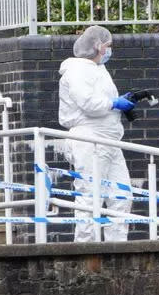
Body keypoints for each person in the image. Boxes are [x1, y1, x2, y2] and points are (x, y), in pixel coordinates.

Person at [58, 25, 142, 242]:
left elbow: (101, 101)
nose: (109, 50)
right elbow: (87, 103)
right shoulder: (77, 70)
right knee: (89, 195)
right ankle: (85, 248)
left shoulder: (98, 70)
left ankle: (116, 247)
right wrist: (114, 103)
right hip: (90, 139)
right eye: (107, 46)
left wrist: (117, 102)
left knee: (122, 196)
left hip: (109, 140)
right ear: (97, 46)